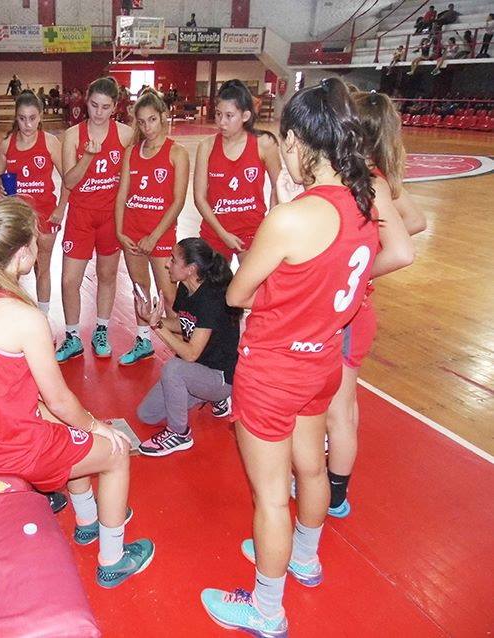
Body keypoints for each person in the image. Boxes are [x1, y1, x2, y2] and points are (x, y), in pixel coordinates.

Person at [200, 78, 381, 635]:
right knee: (311, 466)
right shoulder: (365, 203)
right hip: (322, 362)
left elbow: (236, 295)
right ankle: (304, 557)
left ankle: (267, 608)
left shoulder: (293, 218)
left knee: (271, 497)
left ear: (300, 142)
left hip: (274, 370)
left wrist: (283, 210)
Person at [0, 199, 155, 588]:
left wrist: (81, 427)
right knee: (114, 454)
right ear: (21, 255)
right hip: (8, 450)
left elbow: (24, 397)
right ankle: (113, 559)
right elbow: (61, 399)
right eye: (35, 241)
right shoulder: (23, 318)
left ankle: (86, 523)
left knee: (69, 435)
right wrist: (101, 428)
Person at [323, 91, 426, 518]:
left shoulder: (366, 179)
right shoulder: (373, 176)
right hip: (352, 313)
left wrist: (358, 271)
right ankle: (332, 484)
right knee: (343, 407)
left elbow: (404, 248)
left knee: (338, 413)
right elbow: (416, 221)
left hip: (350, 314)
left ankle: (333, 496)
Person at [134, 238, 240, 455]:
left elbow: (190, 354)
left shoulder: (211, 298)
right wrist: (156, 319)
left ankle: (179, 434)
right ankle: (213, 398)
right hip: (200, 370)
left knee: (173, 368)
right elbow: (185, 325)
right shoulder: (186, 287)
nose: (166, 264)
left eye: (173, 260)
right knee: (147, 414)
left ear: (191, 269)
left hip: (220, 377)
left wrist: (156, 327)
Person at [55, 77, 134, 362]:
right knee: (68, 280)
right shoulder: (74, 136)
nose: (98, 112)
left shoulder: (125, 134)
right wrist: (88, 156)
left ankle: (101, 330)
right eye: (93, 105)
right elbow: (70, 181)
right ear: (85, 101)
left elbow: (132, 175)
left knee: (107, 276)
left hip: (111, 217)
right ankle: (73, 336)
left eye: (105, 107)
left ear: (115, 107)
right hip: (81, 216)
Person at [114, 90, 189, 365]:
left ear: (164, 118)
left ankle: (183, 350)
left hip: (161, 235)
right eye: (142, 122)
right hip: (132, 234)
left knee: (169, 297)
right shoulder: (131, 153)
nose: (147, 127)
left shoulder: (177, 153)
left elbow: (178, 201)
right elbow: (122, 195)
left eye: (152, 120)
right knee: (140, 289)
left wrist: (154, 236)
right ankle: (143, 340)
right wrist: (121, 232)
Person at [0, 91, 68, 316]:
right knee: (12, 267)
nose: (27, 124)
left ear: (41, 116)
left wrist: (60, 208)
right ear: (16, 117)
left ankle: (42, 317)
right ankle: (14, 314)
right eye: (22, 118)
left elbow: (68, 178)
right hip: (19, 215)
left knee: (41, 268)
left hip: (46, 212)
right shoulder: (7, 145)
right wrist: (1, 185)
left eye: (33, 118)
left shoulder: (50, 142)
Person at [193, 79, 282, 262]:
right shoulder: (207, 146)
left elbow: (278, 186)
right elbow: (199, 198)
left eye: (229, 115)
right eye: (218, 114)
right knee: (215, 288)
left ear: (245, 116)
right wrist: (223, 233)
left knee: (250, 289)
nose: (221, 122)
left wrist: (270, 225)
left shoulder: (264, 143)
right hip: (215, 231)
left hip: (251, 231)